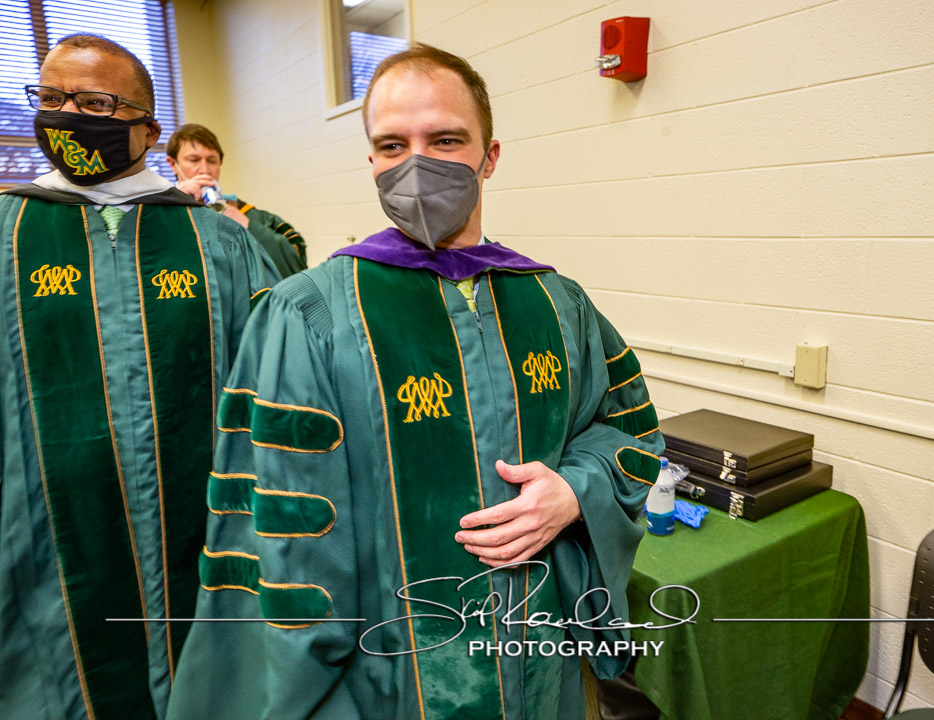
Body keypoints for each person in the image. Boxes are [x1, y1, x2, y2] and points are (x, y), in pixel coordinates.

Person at [168, 43, 663, 720]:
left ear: (490, 156)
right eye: (393, 144)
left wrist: (576, 490)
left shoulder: (556, 303)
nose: (417, 164)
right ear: (371, 160)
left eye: (446, 139)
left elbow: (627, 428)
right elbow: (279, 545)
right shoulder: (309, 315)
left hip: (543, 674)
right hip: (387, 688)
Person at [0, 34, 280, 720]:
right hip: (45, 561)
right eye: (52, 97)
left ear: (149, 130)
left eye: (95, 101)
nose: (68, 115)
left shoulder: (222, 241)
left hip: (209, 545)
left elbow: (278, 388)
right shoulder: (7, 230)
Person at [166, 123, 308, 277]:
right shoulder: (157, 215)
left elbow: (297, 268)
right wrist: (173, 204)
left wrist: (249, 227)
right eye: (193, 160)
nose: (205, 169)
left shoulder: (256, 217)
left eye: (212, 161)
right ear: (173, 164)